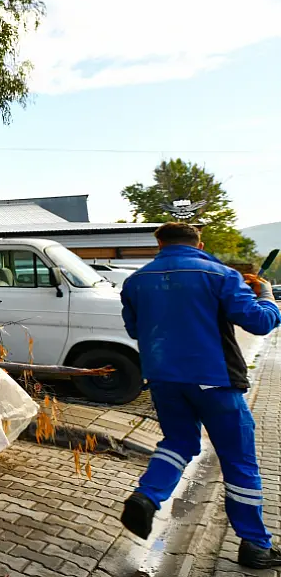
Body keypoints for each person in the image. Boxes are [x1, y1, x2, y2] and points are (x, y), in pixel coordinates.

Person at [119, 222, 281, 569]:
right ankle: (255, 545)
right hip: (215, 381)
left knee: (178, 443)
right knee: (238, 459)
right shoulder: (221, 275)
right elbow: (260, 322)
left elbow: (135, 329)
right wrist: (266, 294)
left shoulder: (135, 281)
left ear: (159, 244)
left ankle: (147, 496)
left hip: (163, 379)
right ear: (199, 243)